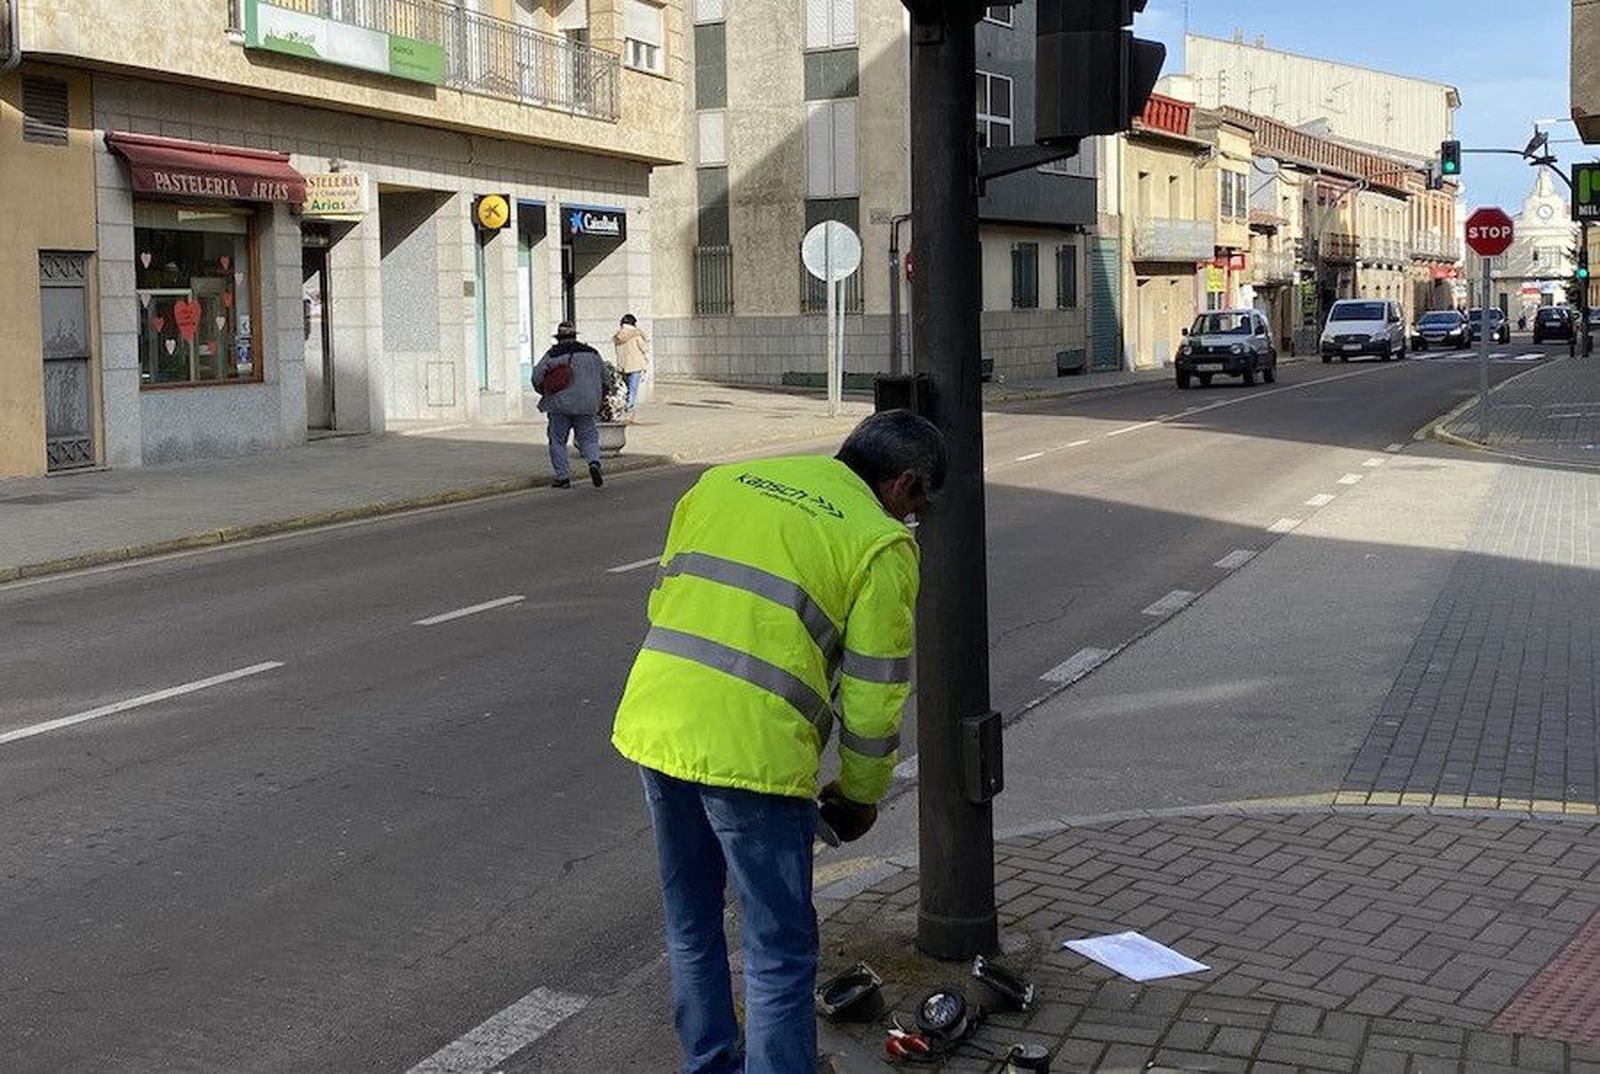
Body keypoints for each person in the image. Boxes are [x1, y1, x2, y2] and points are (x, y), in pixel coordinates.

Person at [611, 411, 945, 1074]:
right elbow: (874, 697)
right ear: (904, 485)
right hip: (753, 760)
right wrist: (859, 795)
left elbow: (667, 596)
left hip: (657, 723)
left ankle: (710, 1065)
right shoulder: (880, 543)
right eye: (921, 505)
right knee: (779, 951)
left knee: (691, 924)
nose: (917, 519)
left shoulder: (726, 481)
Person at [531, 321, 605, 489]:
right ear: (574, 336)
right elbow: (605, 377)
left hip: (559, 404)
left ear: (559, 338)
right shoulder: (592, 353)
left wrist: (543, 390)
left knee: (557, 440)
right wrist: (599, 396)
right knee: (588, 437)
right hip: (587, 404)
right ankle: (594, 462)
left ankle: (563, 477)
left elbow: (536, 376)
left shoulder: (552, 354)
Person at [612, 313, 650, 422]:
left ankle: (625, 410)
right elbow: (644, 349)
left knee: (627, 390)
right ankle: (629, 412)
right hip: (636, 365)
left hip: (623, 366)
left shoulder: (618, 337)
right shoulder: (636, 335)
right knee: (633, 390)